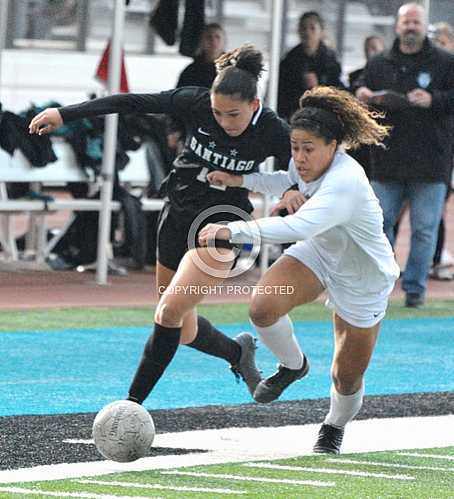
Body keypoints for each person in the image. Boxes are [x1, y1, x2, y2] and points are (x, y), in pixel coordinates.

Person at [29, 44, 291, 405]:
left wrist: (294, 191)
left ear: (255, 107)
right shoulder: (195, 102)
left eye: (233, 115)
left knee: (167, 311)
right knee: (183, 328)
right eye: (217, 113)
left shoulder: (275, 130)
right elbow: (131, 102)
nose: (223, 122)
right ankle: (237, 353)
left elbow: (306, 167)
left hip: (223, 222)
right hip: (178, 211)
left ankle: (131, 405)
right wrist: (64, 113)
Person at [199, 86, 400, 454]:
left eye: (309, 149)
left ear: (334, 146)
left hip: (362, 279)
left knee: (346, 375)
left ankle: (333, 425)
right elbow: (285, 180)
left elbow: (298, 226)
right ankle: (293, 366)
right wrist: (240, 180)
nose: (300, 157)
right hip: (320, 254)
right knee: (262, 307)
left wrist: (233, 231)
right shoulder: (304, 162)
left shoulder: (346, 182)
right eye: (295, 147)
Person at [355, 3, 454, 307]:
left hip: (431, 161)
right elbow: (359, 87)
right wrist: (362, 94)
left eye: (416, 22)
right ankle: (380, 281)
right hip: (386, 160)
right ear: (397, 27)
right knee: (377, 223)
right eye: (406, 22)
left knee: (424, 230)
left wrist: (433, 99)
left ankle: (415, 290)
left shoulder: (445, 63)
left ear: (425, 26)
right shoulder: (379, 62)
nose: (411, 27)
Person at [278, 11, 344, 122]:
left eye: (312, 28)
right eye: (303, 28)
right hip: (295, 115)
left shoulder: (330, 60)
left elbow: (337, 91)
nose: (307, 33)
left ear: (321, 32)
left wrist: (317, 88)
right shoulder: (290, 60)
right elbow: (282, 92)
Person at [428, 21, 454, 281]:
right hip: (433, 151)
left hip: (445, 153)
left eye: (442, 40)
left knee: (436, 209)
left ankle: (437, 258)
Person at [176, 23, 226, 89]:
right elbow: (179, 95)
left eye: (217, 37)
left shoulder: (232, 68)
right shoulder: (191, 71)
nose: (213, 41)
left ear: (224, 41)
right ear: (202, 41)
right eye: (209, 37)